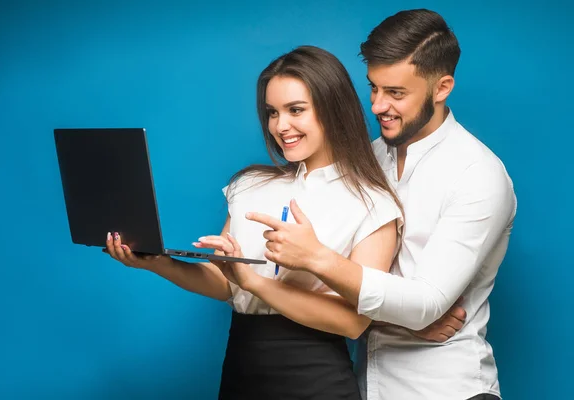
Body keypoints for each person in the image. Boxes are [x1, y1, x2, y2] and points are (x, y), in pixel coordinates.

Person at [104, 45, 461, 400]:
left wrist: (255, 282)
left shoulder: (373, 204)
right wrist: (158, 263)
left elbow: (353, 322)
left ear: (332, 109)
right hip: (241, 370)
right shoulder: (250, 185)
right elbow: (225, 284)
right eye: (272, 112)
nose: (281, 125)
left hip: (315, 379)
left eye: (296, 110)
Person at [245, 9, 517, 400]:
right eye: (374, 88)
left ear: (442, 88)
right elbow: (362, 303)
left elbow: (427, 303)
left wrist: (318, 259)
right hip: (363, 385)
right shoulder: (367, 160)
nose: (376, 106)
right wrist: (391, 321)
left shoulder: (479, 176)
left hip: (448, 389)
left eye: (396, 93)